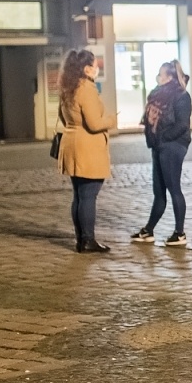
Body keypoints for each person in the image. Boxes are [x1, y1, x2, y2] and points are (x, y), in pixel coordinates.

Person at [57, 49, 115, 254]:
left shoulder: (68, 87)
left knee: (79, 195)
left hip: (71, 144)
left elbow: (64, 118)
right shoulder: (86, 89)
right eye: (95, 65)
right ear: (86, 68)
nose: (97, 68)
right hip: (88, 147)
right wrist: (111, 120)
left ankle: (80, 239)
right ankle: (88, 240)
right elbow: (94, 123)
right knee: (89, 195)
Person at [132, 61, 192, 247]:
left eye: (161, 74)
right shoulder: (156, 93)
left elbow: (182, 124)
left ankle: (179, 233)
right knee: (159, 191)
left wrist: (165, 138)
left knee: (173, 188)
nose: (158, 77)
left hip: (173, 146)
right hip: (158, 145)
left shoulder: (181, 96)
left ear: (170, 77)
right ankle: (148, 230)